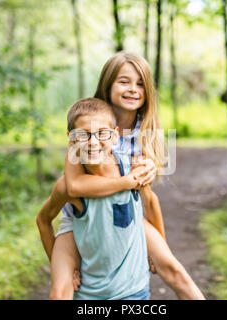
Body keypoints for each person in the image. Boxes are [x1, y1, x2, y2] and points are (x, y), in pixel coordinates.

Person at [36, 52, 205, 300]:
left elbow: (148, 199)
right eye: (124, 82)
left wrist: (159, 248)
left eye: (140, 84)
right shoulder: (88, 122)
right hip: (82, 217)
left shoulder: (146, 131)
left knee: (175, 271)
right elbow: (73, 185)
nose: (133, 90)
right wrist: (126, 181)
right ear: (108, 84)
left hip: (124, 212)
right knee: (61, 290)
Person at [60, 97, 150, 299]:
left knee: (176, 271)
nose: (92, 142)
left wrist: (155, 251)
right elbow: (46, 215)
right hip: (90, 293)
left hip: (133, 291)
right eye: (83, 135)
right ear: (71, 138)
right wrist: (67, 270)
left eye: (101, 134)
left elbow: (151, 202)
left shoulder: (132, 166)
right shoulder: (68, 184)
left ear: (115, 136)